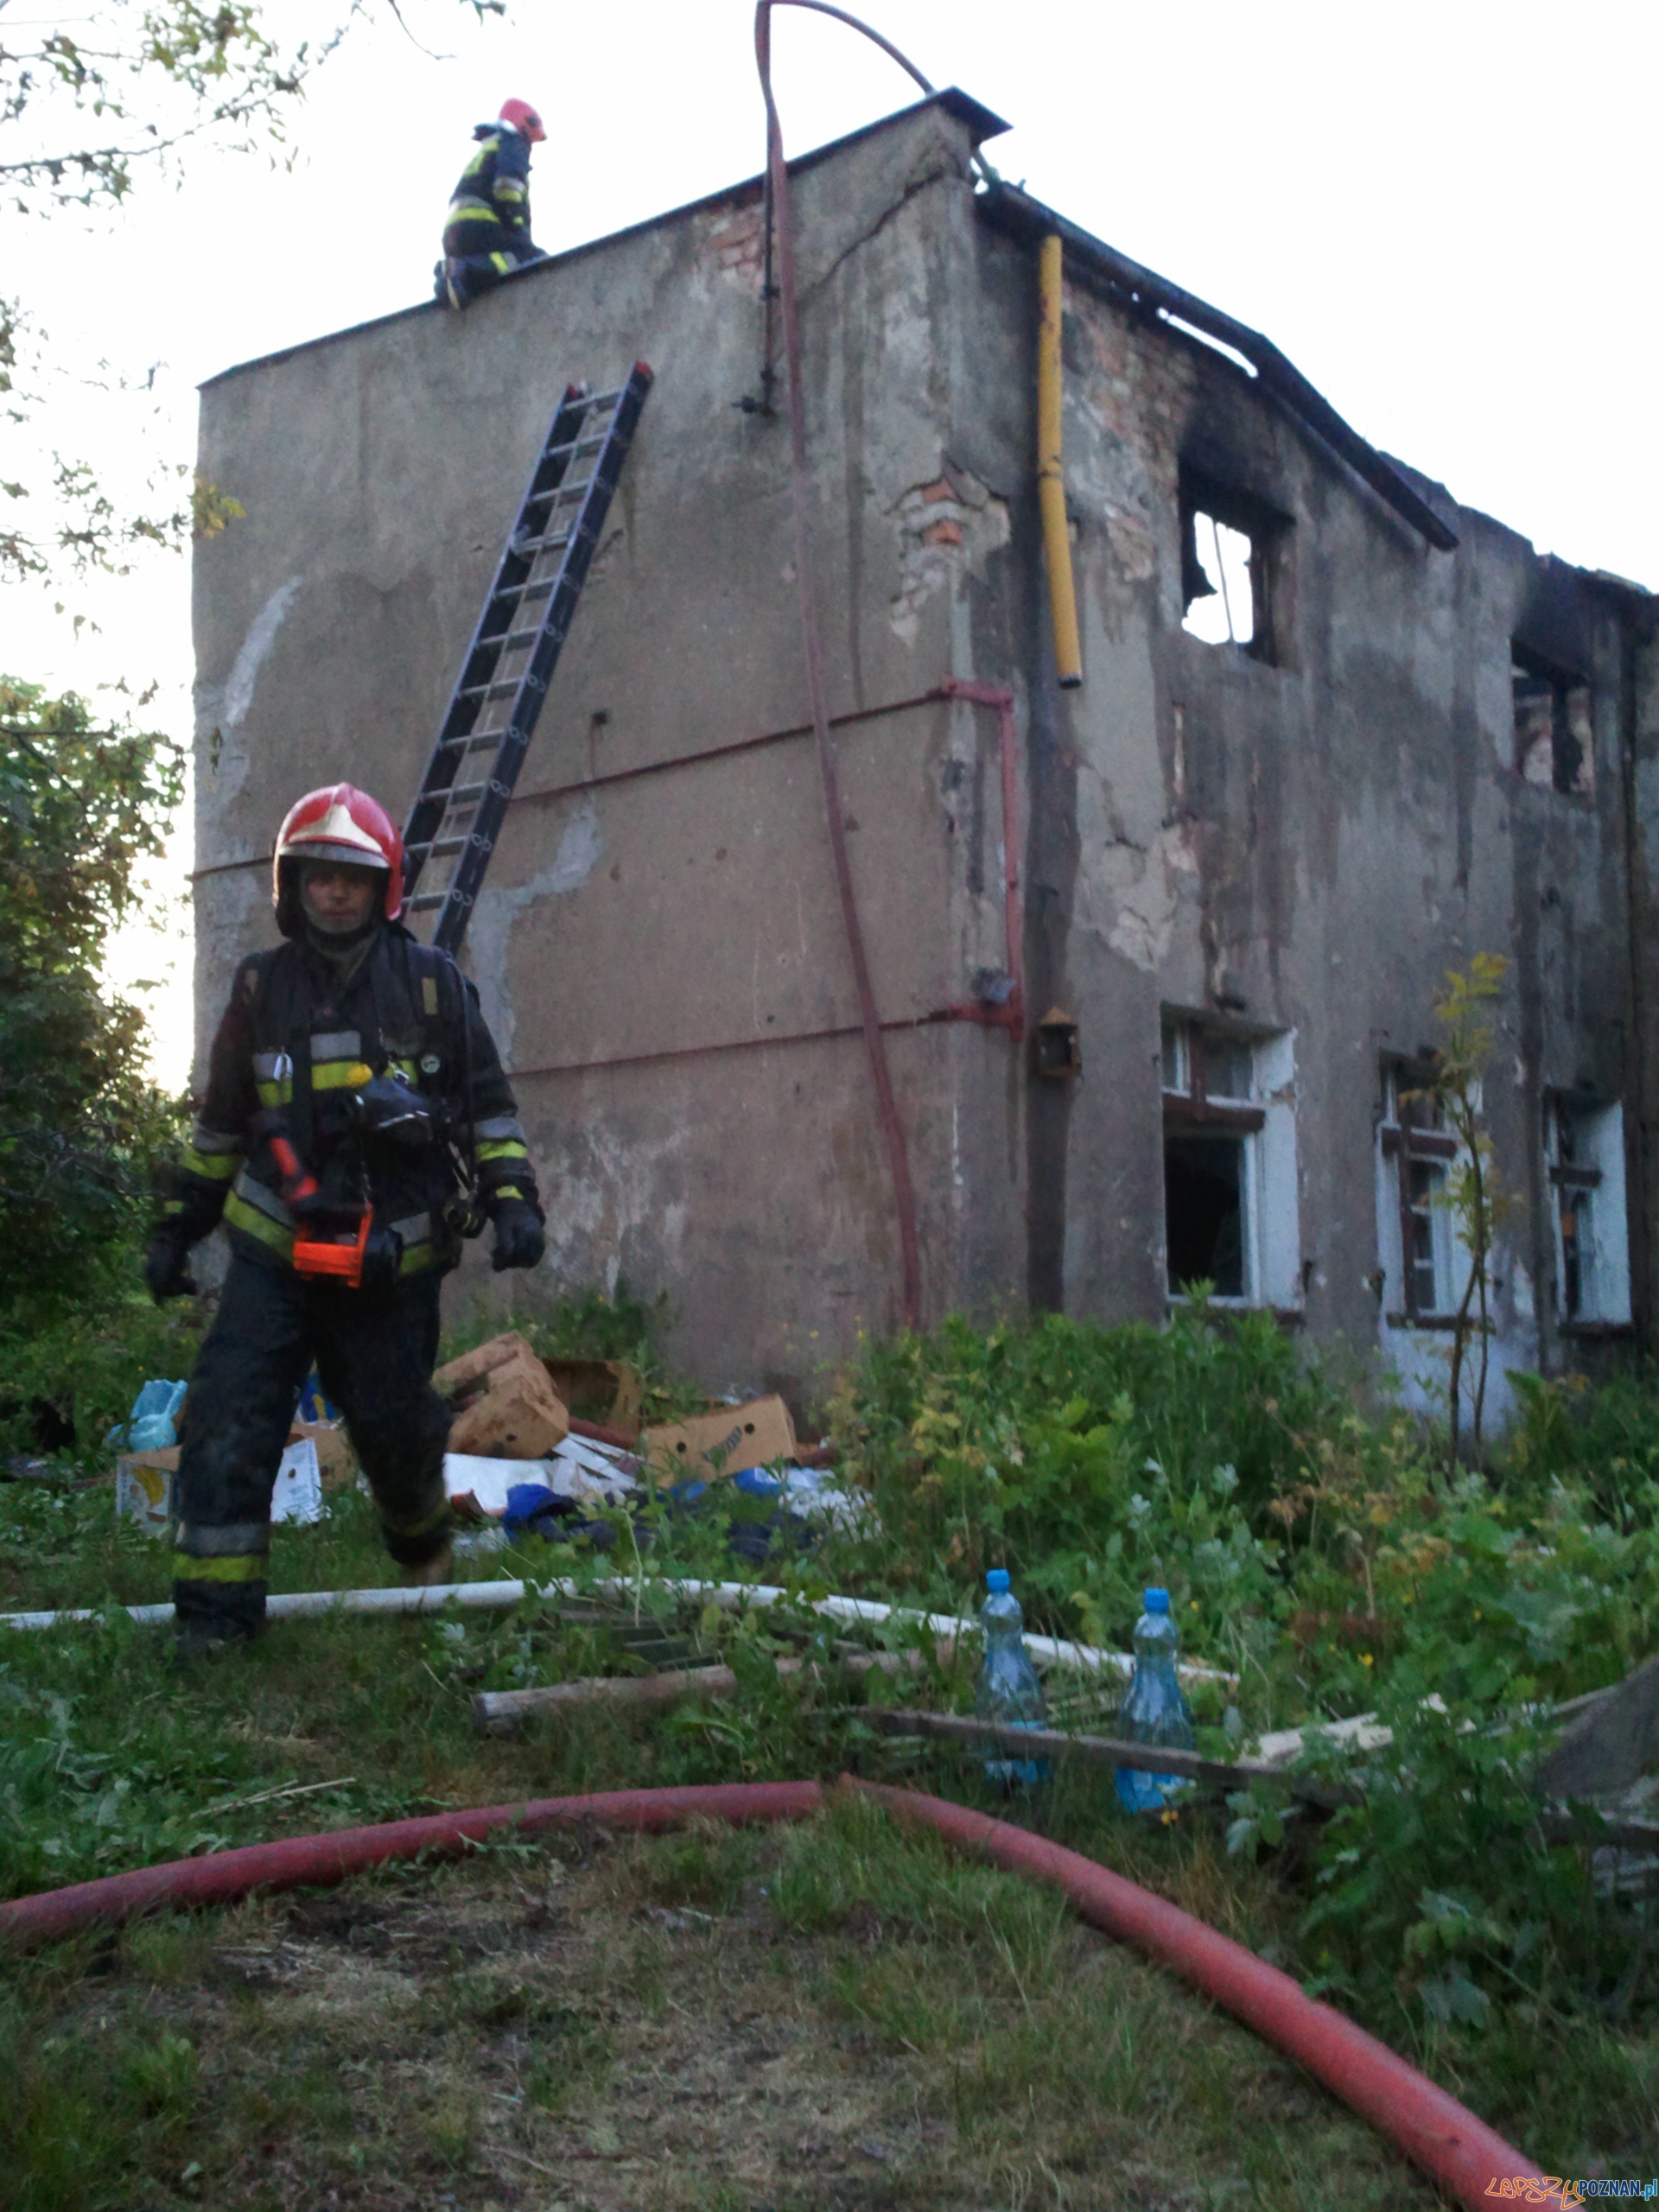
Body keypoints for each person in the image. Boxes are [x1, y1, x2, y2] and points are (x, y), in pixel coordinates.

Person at [145, 782, 546, 1655]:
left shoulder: (434, 989)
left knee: (399, 1442)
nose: (335, 891)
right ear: (293, 885)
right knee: (227, 1422)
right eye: (320, 874)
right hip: (273, 1262)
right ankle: (214, 1630)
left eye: (352, 877)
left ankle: (425, 1563)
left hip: (386, 1274)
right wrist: (179, 1226)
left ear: (383, 888)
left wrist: (514, 1201)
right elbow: (221, 1126)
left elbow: (488, 1110)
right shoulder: (259, 989)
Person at [435, 97, 547, 311]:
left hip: (455, 233)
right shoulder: (513, 140)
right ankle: (466, 270)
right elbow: (508, 184)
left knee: (495, 264)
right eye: (532, 137)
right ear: (525, 126)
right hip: (482, 224)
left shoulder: (488, 148)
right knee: (530, 259)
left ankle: (447, 279)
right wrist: (516, 224)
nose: (530, 144)